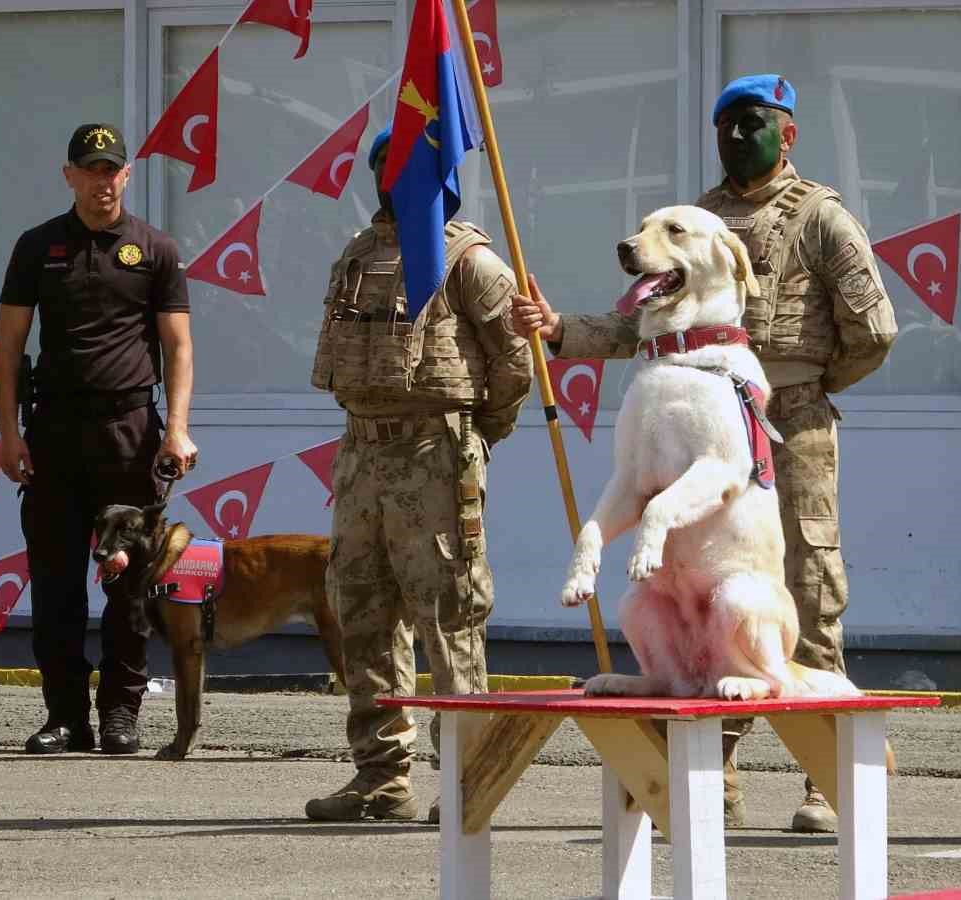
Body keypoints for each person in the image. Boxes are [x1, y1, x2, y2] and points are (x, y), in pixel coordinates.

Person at [514, 74, 898, 831]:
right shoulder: (692, 220)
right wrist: (561, 332)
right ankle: (705, 776)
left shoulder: (821, 219)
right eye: (725, 123)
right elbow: (641, 324)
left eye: (752, 123)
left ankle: (826, 776)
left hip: (784, 415)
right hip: (692, 402)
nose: (736, 136)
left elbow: (874, 328)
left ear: (787, 134)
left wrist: (803, 386)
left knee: (804, 584)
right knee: (691, 578)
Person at [304, 127, 532, 823]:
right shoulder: (356, 256)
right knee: (363, 612)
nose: (390, 179)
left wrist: (470, 437)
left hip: (434, 457)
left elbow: (514, 365)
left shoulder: (470, 261)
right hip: (362, 455)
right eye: (382, 167)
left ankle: (465, 777)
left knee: (449, 616)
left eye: (405, 167)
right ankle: (381, 776)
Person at [0, 124, 197, 756]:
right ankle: (65, 716)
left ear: (126, 176)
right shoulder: (37, 246)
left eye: (112, 169)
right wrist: (8, 435)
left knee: (127, 581)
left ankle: (120, 713)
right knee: (55, 582)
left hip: (129, 432)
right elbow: (7, 350)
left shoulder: (155, 249)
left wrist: (179, 429)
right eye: (90, 169)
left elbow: (179, 346)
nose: (102, 181)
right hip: (52, 430)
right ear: (70, 175)